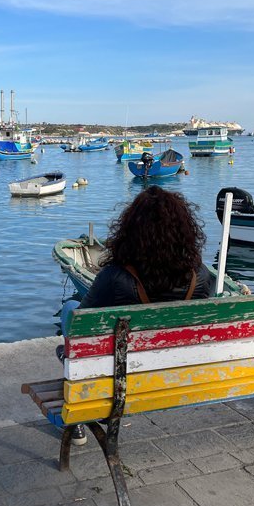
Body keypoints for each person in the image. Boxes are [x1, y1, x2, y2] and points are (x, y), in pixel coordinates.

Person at [58, 186, 214, 444]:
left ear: (130, 231)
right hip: (180, 375)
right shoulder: (201, 276)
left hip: (122, 380)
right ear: (185, 231)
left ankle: (75, 420)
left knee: (70, 311)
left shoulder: (115, 277)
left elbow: (81, 322)